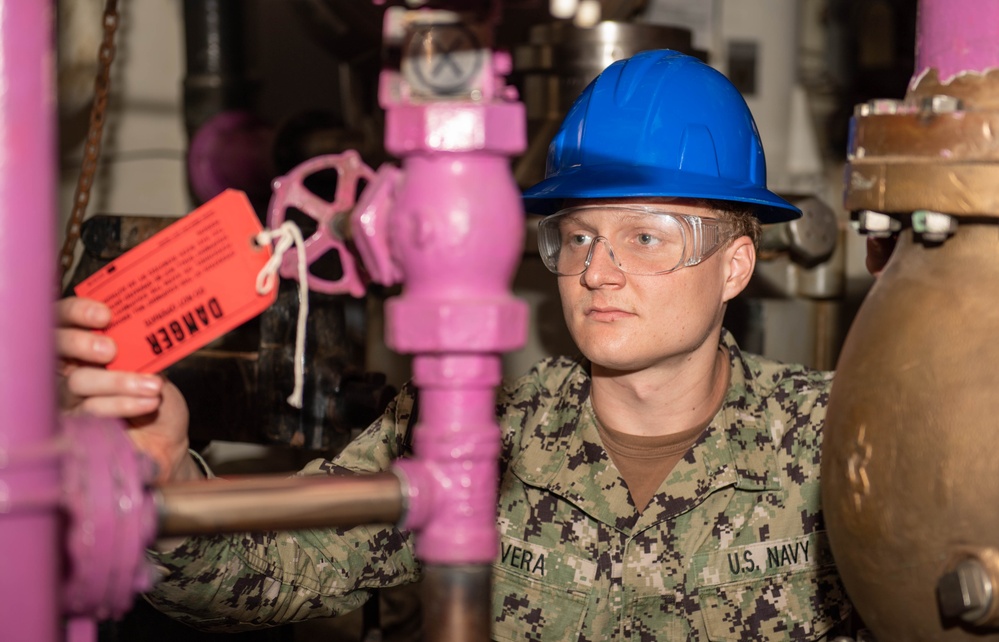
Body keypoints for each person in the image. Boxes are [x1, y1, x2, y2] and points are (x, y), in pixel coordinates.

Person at [58, 50, 853, 640]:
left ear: (734, 267)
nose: (597, 271)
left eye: (644, 237)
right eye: (576, 237)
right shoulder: (471, 427)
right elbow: (268, 571)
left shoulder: (837, 441)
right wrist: (162, 476)